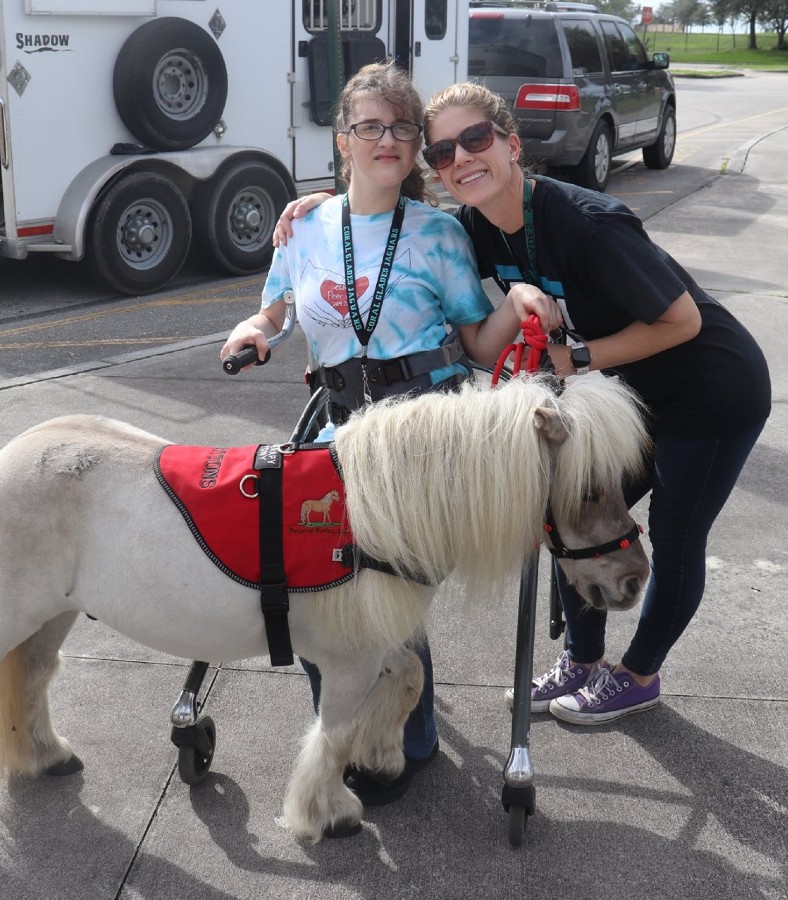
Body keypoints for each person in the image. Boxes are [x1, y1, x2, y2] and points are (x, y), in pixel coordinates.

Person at [279, 80, 770, 727]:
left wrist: (577, 359)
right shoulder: (482, 224)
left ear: (512, 145)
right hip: (623, 398)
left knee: (677, 536)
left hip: (706, 391)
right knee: (566, 509)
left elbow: (681, 322)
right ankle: (581, 661)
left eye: (475, 139)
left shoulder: (588, 226)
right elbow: (380, 220)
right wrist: (323, 204)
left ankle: (638, 674)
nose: (461, 158)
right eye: (443, 150)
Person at [221, 63, 559, 806]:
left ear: (413, 148)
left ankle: (406, 732)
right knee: (320, 586)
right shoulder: (305, 226)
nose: (386, 139)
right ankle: (338, 728)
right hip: (339, 432)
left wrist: (523, 300)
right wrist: (252, 333)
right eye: (369, 126)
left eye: (402, 128)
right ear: (343, 139)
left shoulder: (438, 233)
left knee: (391, 595)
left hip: (421, 433)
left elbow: (476, 341)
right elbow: (274, 313)